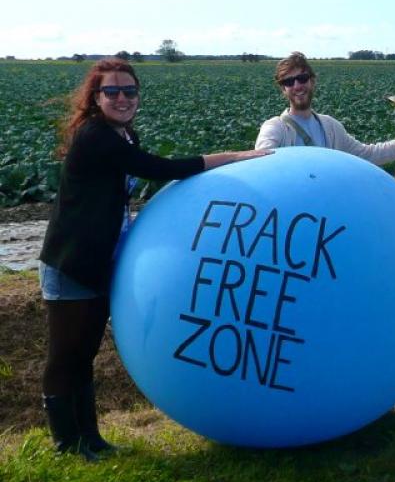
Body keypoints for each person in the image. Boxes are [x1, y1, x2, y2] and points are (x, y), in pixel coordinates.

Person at [38, 58, 271, 461]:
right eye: (112, 91)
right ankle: (66, 443)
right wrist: (234, 156)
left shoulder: (124, 135)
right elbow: (161, 169)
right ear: (96, 98)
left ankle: (90, 439)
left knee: (85, 354)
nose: (122, 98)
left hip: (98, 261)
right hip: (70, 262)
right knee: (65, 354)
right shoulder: (97, 136)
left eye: (130, 91)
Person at [255, 52, 395, 162]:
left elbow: (366, 154)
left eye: (302, 79)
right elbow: (261, 164)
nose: (297, 86)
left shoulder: (330, 126)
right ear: (283, 89)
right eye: (288, 82)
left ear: (312, 81)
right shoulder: (275, 128)